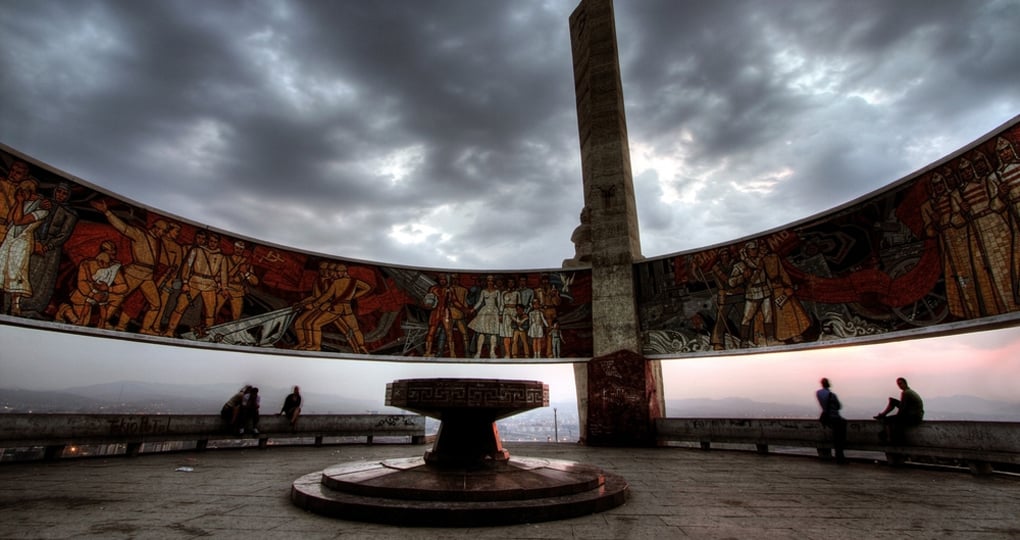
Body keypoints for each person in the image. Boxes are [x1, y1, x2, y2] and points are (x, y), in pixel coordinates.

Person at [874, 377, 924, 444]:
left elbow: (902, 409)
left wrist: (897, 418)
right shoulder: (908, 392)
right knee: (892, 401)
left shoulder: (906, 393)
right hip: (914, 415)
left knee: (888, 420)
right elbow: (903, 406)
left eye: (901, 383)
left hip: (914, 417)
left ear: (905, 383)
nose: (899, 386)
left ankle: (890, 439)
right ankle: (882, 414)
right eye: (898, 384)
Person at [816, 378, 847, 464]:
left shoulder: (818, 393)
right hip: (834, 417)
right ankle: (840, 458)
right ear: (828, 384)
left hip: (826, 418)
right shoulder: (832, 395)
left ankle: (839, 457)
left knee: (836, 438)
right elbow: (838, 406)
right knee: (839, 439)